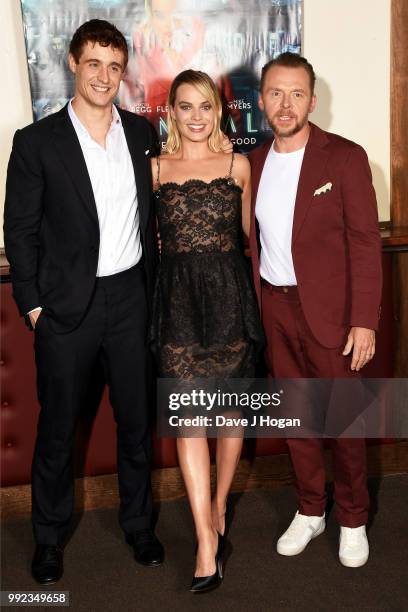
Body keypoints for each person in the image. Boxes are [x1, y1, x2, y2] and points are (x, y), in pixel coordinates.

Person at [3, 19, 164, 585]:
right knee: (57, 431)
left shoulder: (143, 135)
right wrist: (34, 306)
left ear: (123, 72)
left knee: (136, 423)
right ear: (73, 63)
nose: (103, 76)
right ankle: (48, 539)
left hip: (129, 299)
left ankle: (139, 525)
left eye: (114, 66)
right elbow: (18, 232)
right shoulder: (36, 142)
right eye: (93, 63)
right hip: (67, 309)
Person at [249, 52, 382, 568]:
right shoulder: (254, 162)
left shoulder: (344, 158)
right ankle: (311, 510)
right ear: (262, 100)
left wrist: (365, 319)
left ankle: (352, 517)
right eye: (276, 93)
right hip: (276, 309)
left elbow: (366, 242)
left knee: (344, 422)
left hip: (333, 315)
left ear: (313, 100)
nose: (286, 104)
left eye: (297, 94)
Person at [150, 69, 263, 592]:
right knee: (189, 419)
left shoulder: (239, 165)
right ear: (170, 112)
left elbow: (254, 239)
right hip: (176, 305)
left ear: (218, 112)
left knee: (229, 414)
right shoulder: (153, 169)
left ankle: (218, 504)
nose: (195, 116)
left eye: (205, 107)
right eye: (185, 106)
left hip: (229, 301)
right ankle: (204, 540)